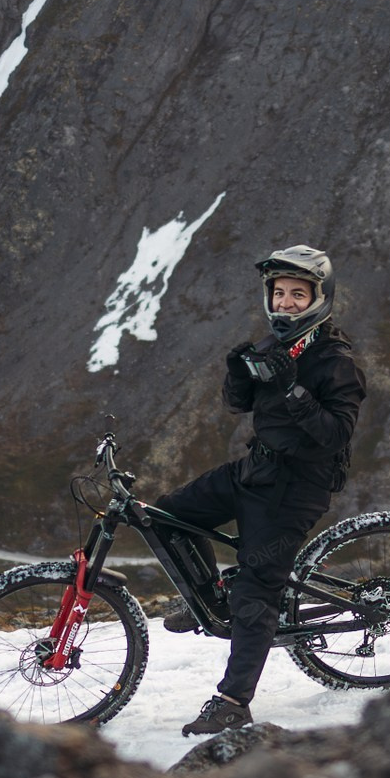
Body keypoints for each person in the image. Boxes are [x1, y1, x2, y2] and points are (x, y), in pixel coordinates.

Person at [160, 245, 367, 737]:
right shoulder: (278, 345)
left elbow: (336, 434)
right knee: (167, 517)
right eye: (279, 293)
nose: (286, 302)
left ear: (319, 297)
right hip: (255, 470)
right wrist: (238, 375)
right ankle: (213, 601)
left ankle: (234, 703)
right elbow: (241, 404)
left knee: (256, 591)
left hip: (296, 489)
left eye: (298, 294)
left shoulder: (336, 361)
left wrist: (294, 390)